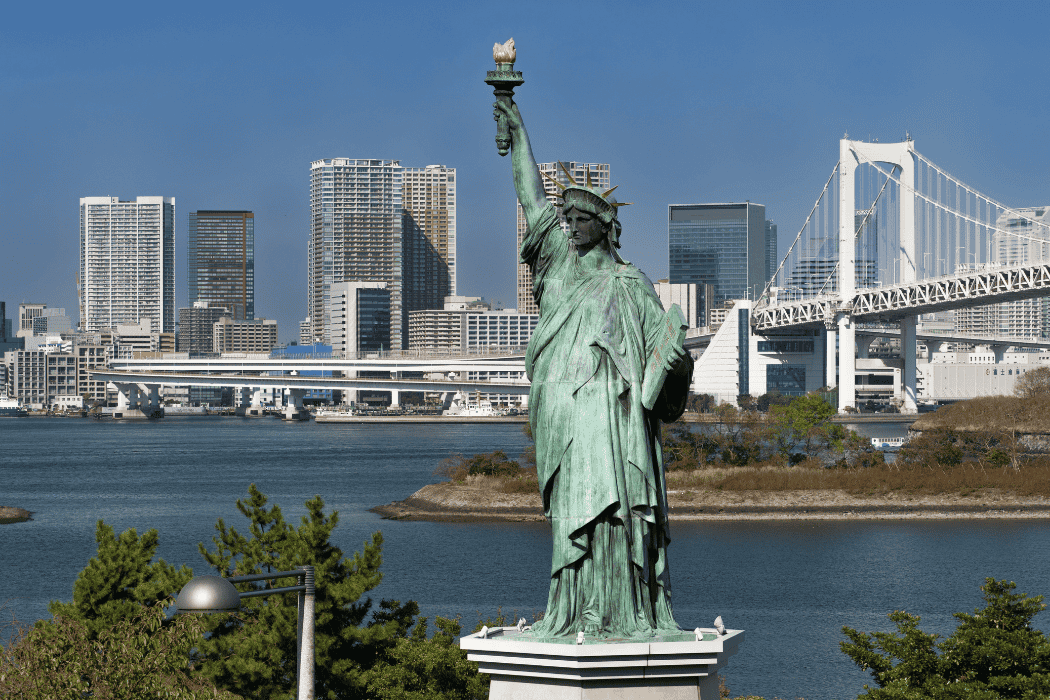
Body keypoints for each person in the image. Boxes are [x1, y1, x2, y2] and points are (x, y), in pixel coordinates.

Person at [493, 97, 693, 639]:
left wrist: (676, 364)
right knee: (572, 511)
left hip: (616, 416)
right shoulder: (557, 265)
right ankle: (573, 606)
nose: (571, 226)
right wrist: (518, 129)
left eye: (582, 220)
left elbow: (664, 358)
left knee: (617, 513)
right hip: (564, 409)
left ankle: (622, 610)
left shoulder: (632, 285)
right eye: (569, 219)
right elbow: (531, 199)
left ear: (606, 226)